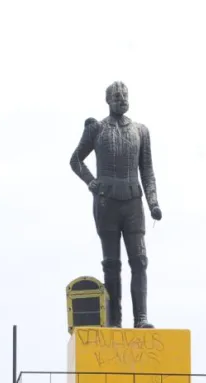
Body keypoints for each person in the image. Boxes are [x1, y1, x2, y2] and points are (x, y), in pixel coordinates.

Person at [69, 81, 162, 329]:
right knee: (112, 264)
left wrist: (153, 202)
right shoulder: (96, 129)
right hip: (106, 203)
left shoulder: (141, 131)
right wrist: (91, 182)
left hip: (133, 202)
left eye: (125, 95)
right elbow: (75, 160)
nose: (122, 98)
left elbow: (148, 171)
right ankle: (115, 321)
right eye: (116, 95)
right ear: (108, 100)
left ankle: (140, 317)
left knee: (139, 260)